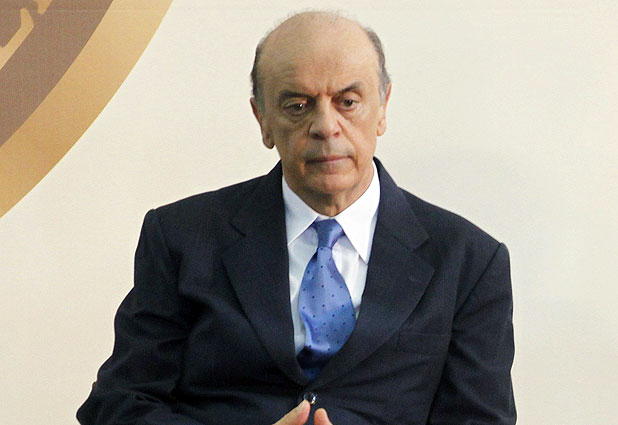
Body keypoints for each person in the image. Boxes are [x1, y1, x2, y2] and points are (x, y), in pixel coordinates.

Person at [77, 11, 516, 425]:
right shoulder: (182, 237)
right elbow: (118, 405)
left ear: (382, 106)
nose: (326, 126)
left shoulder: (469, 261)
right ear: (262, 119)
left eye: (348, 101)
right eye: (298, 105)